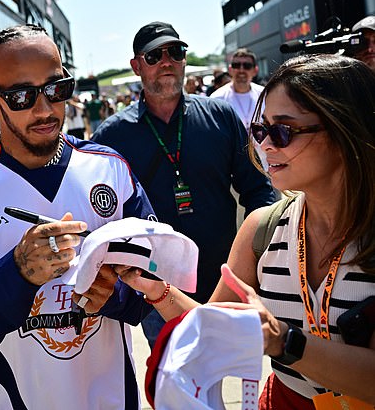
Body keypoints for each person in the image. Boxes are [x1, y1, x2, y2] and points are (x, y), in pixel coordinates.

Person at [0, 24, 157, 409]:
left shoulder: (110, 169)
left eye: (57, 89)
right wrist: (18, 272)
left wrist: (114, 293)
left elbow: (155, 277)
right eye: (21, 95)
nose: (43, 110)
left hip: (110, 398)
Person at [118, 54, 375, 408]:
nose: (266, 144)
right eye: (261, 129)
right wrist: (155, 288)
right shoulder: (263, 229)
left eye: (284, 131)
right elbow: (213, 330)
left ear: (344, 129)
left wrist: (284, 341)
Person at [92, 21, 275, 348]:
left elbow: (257, 189)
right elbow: (100, 213)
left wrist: (259, 253)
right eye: (154, 55)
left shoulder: (221, 116)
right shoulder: (112, 136)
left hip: (223, 277)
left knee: (221, 371)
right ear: (136, 66)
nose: (166, 61)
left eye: (175, 52)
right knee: (172, 381)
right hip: (156, 287)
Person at [210, 48, 264, 131]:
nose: (241, 70)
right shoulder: (216, 98)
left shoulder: (265, 95)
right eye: (236, 65)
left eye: (247, 66)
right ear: (230, 69)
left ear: (255, 70)